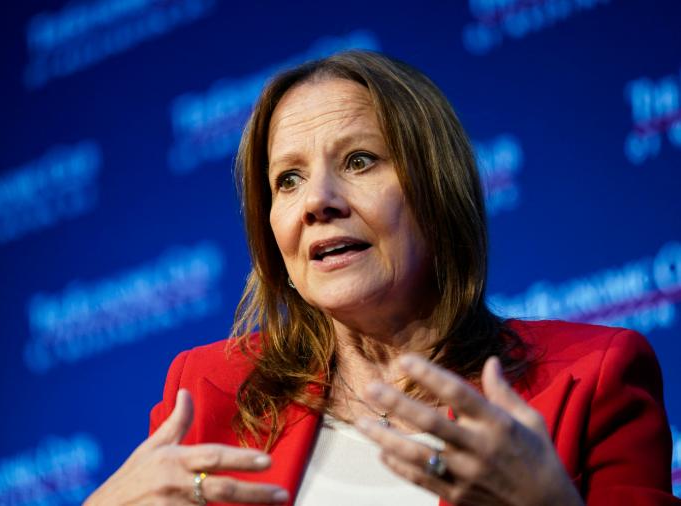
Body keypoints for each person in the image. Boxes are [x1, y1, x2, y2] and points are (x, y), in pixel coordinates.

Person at [85, 51, 677, 506]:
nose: (317, 201)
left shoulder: (591, 380)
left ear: (437, 190)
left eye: (359, 161)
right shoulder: (209, 392)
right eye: (288, 179)